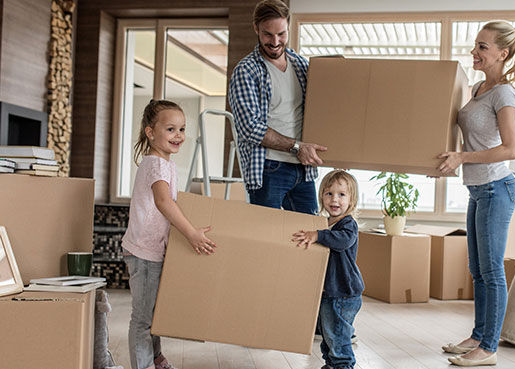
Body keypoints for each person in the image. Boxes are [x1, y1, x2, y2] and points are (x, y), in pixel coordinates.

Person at [437, 20, 515, 367]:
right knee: (477, 268)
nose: (475, 52)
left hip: (496, 188)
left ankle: (488, 347)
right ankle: (477, 336)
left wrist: (462, 157)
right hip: (478, 189)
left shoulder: (504, 93)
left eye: (483, 47)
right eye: (476, 45)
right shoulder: (476, 89)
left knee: (491, 271)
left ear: (503, 54)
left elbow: (511, 148)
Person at [122, 99, 217, 369]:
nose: (179, 136)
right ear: (151, 132)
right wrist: (191, 234)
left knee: (155, 312)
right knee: (143, 318)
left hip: (153, 250)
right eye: (171, 130)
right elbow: (164, 203)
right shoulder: (155, 164)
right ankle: (145, 364)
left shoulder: (164, 164)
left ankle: (156, 358)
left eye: (182, 129)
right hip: (143, 251)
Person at [228, 0, 327, 214]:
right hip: (269, 167)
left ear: (288, 27)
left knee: (308, 237)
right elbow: (249, 128)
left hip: (304, 169)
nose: (275, 42)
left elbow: (322, 109)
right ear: (256, 28)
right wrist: (297, 147)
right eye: (267, 34)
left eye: (281, 34)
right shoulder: (246, 71)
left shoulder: (301, 66)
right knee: (267, 238)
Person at [292, 170, 364, 369]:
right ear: (321, 196)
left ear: (351, 200)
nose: (335, 200)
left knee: (339, 337)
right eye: (329, 193)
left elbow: (342, 241)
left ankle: (342, 365)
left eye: (342, 195)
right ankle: (331, 364)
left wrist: (317, 235)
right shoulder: (324, 223)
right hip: (329, 292)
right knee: (328, 334)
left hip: (343, 293)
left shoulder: (348, 224)